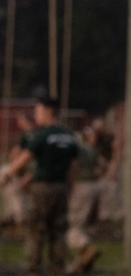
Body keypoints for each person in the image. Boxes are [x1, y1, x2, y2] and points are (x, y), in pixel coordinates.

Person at [0, 88, 78, 276]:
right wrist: (70, 187)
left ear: (48, 111)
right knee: (58, 230)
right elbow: (73, 166)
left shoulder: (43, 135)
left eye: (38, 110)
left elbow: (25, 158)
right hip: (61, 188)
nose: (36, 115)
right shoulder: (69, 135)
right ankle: (57, 268)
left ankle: (34, 270)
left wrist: (7, 175)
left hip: (42, 188)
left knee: (36, 230)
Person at [66, 125, 105, 274]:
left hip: (81, 185)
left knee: (72, 223)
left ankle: (87, 247)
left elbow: (73, 166)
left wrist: (70, 183)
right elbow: (103, 166)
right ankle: (83, 259)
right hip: (93, 186)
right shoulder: (93, 150)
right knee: (82, 223)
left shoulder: (80, 149)